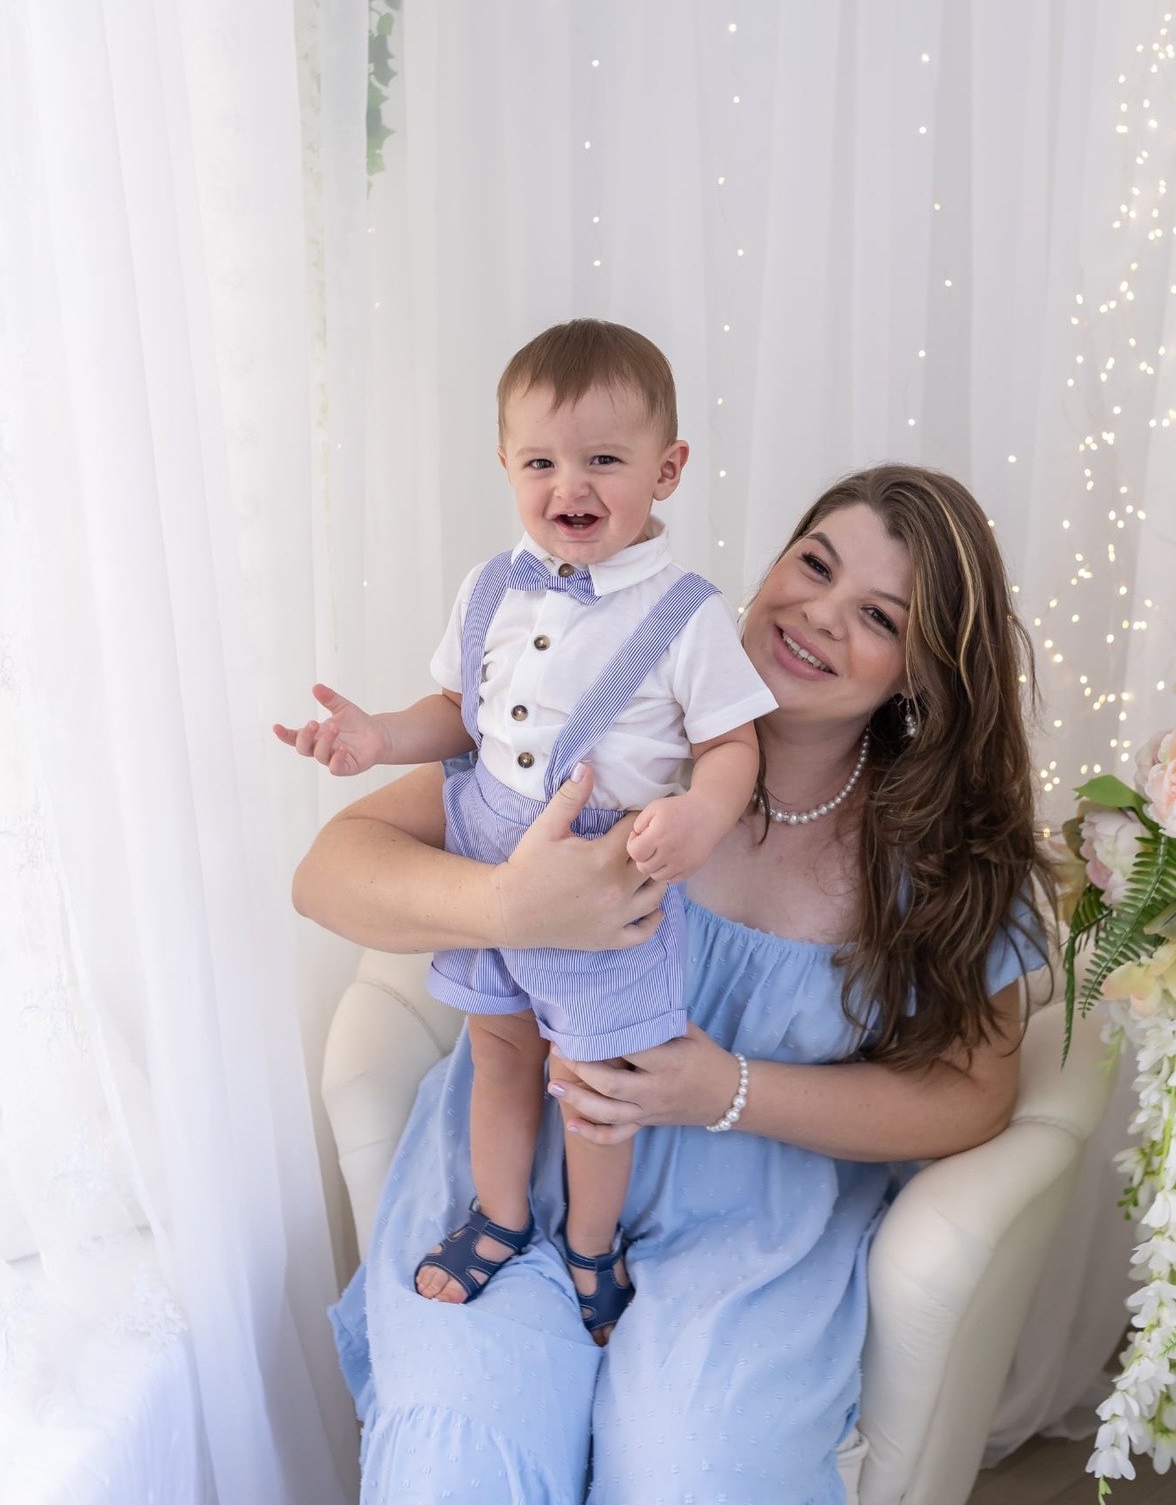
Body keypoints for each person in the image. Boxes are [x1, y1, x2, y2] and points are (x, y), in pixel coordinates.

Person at [293, 463, 1055, 1504]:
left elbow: (976, 1092)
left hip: (747, 1238)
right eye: (814, 564)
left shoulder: (939, 852)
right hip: (517, 1180)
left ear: (919, 672)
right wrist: (513, 908)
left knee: (693, 1473)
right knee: (458, 1462)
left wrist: (727, 1090)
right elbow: (326, 874)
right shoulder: (609, 726)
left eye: (876, 614)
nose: (818, 616)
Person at [276, 321, 775, 1341]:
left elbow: (735, 744)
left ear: (667, 470)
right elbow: (458, 715)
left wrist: (702, 812)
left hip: (609, 871)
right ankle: (501, 1214)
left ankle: (592, 1243)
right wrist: (376, 738)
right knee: (498, 1050)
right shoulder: (493, 587)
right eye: (541, 461)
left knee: (595, 1086)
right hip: (485, 843)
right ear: (505, 465)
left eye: (604, 460)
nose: (569, 486)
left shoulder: (689, 617)